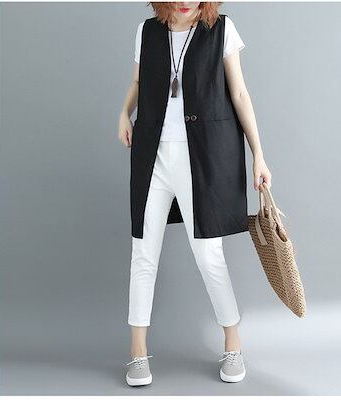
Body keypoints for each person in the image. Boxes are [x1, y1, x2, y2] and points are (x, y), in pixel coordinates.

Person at [118, 2, 272, 386]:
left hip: (201, 156)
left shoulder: (221, 29)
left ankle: (233, 344)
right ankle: (137, 353)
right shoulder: (147, 32)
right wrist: (123, 113)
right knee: (143, 253)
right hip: (152, 155)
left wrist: (258, 154)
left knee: (209, 255)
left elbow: (239, 92)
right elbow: (137, 83)